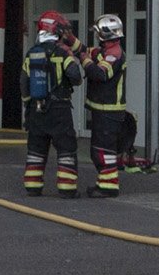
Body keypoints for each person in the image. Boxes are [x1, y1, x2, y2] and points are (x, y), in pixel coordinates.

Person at [20, 10, 82, 196]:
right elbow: (76, 77)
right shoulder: (62, 53)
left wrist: (28, 107)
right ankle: (67, 189)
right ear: (56, 31)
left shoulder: (31, 54)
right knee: (66, 148)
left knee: (36, 149)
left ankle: (32, 186)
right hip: (59, 108)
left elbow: (24, 83)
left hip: (36, 109)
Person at [81, 14, 134, 197]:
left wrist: (84, 60)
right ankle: (103, 184)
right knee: (98, 151)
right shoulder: (105, 51)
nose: (96, 36)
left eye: (98, 33)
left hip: (109, 113)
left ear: (106, 34)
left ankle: (109, 187)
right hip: (102, 111)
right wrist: (69, 40)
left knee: (104, 152)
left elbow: (99, 74)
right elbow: (85, 50)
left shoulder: (114, 54)